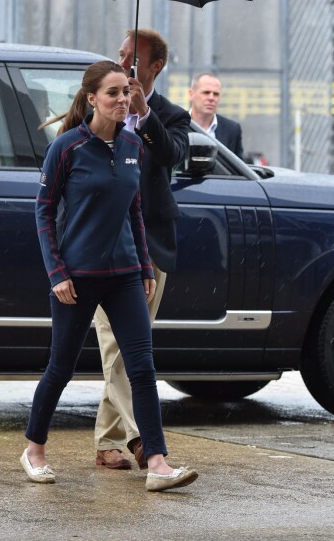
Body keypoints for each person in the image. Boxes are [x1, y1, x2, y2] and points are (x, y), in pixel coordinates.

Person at [22, 60, 198, 492]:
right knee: (60, 367)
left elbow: (134, 211)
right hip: (76, 277)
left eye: (126, 93)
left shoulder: (134, 145)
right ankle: (34, 449)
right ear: (91, 99)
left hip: (124, 276)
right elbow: (43, 212)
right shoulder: (66, 148)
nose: (123, 100)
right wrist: (56, 272)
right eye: (114, 93)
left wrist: (143, 265)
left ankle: (157, 462)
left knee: (142, 367)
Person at [93, 29, 190, 471]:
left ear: (154, 68)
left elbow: (171, 156)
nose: (124, 63)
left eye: (133, 59)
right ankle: (140, 439)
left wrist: (143, 114)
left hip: (147, 242)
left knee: (134, 344)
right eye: (120, 54)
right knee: (116, 341)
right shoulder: (103, 106)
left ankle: (108, 440)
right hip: (101, 242)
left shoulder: (171, 115)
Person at [188, 72, 244, 160]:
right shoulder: (176, 124)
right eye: (206, 92)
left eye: (216, 94)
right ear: (191, 94)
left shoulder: (232, 129)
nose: (211, 98)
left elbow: (239, 169)